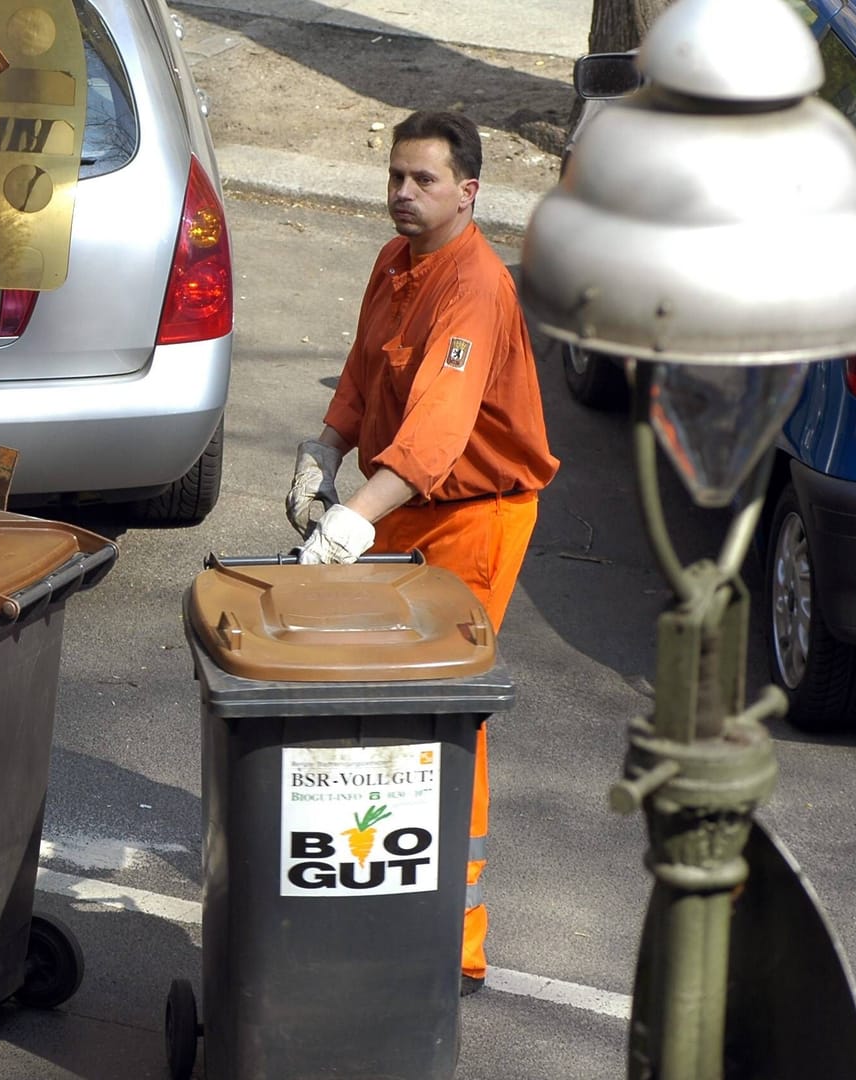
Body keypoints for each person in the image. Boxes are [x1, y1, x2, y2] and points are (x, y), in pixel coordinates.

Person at [285, 110, 559, 996]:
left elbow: (438, 433)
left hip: (473, 517)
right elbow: (367, 371)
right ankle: (379, 871)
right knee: (386, 698)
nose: (404, 193)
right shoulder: (395, 263)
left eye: (425, 181)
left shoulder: (473, 287)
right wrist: (324, 448)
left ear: (468, 193)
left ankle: (456, 940)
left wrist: (349, 523)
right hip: (404, 508)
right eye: (397, 176)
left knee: (446, 712)